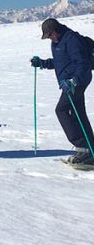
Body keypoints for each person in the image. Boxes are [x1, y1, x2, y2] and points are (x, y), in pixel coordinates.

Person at [31, 18, 94, 165]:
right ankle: (90, 149)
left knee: (62, 110)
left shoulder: (72, 39)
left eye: (50, 35)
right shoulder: (57, 42)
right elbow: (60, 61)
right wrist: (42, 63)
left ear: (56, 30)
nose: (50, 38)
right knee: (79, 113)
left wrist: (74, 81)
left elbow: (82, 63)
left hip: (77, 81)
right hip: (69, 82)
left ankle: (82, 147)